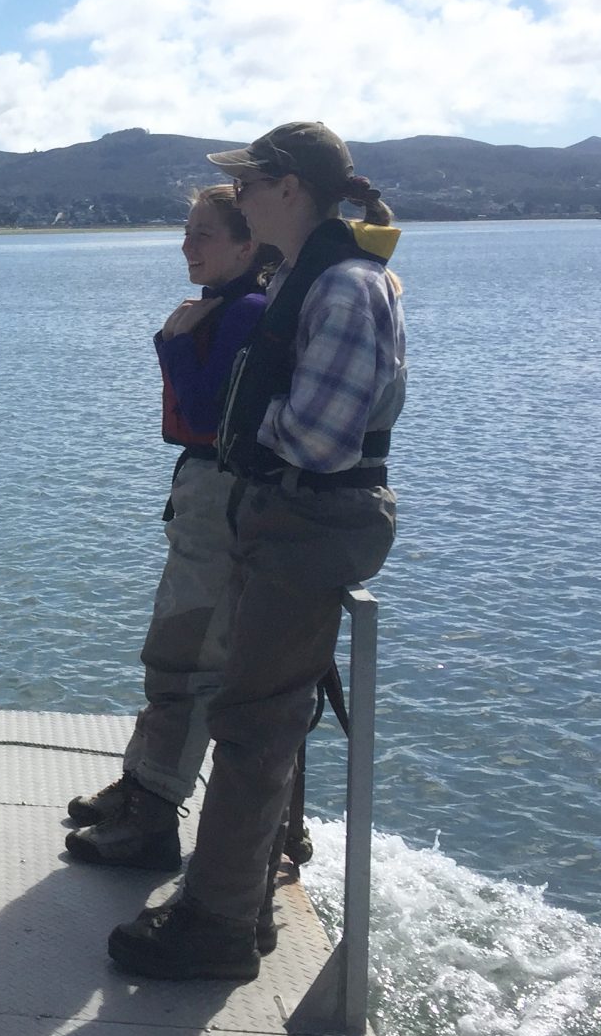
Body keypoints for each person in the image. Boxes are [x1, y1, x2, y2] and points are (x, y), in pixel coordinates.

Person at [107, 122, 405, 982]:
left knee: (255, 725)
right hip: (288, 517)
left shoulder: (345, 287)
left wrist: (246, 424)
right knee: (253, 715)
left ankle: (220, 923)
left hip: (310, 519)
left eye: (248, 182)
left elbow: (318, 435)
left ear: (288, 188)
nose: (236, 197)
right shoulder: (305, 281)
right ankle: (238, 900)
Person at [65, 186, 274, 870]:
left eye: (204, 234)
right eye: (187, 232)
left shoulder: (243, 312)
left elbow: (210, 409)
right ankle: (139, 784)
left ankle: (152, 815)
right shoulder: (227, 306)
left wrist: (173, 343)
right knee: (171, 649)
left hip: (219, 495)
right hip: (206, 492)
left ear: (248, 246)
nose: (188, 245)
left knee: (184, 656)